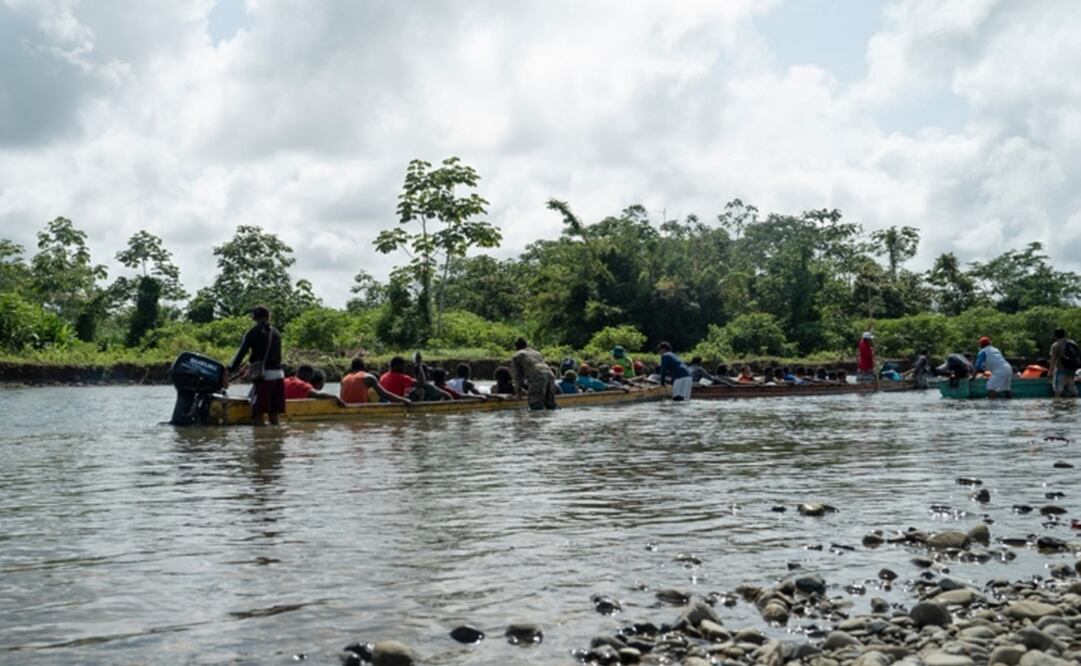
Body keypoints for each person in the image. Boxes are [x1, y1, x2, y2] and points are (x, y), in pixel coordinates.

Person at [228, 305, 285, 425]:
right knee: (274, 414)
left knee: (257, 414)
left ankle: (261, 441)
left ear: (254, 318)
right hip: (279, 376)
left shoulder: (252, 332)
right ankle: (276, 440)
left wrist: (230, 370)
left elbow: (241, 354)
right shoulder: (276, 333)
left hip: (264, 377)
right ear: (269, 317)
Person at [511, 337, 558, 410]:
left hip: (538, 376)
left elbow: (517, 376)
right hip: (550, 375)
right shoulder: (536, 353)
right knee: (550, 405)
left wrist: (518, 393)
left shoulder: (517, 356)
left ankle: (536, 421)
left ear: (516, 347)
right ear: (526, 345)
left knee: (536, 405)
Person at [341, 357, 411, 405]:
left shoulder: (344, 379)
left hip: (345, 407)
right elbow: (384, 394)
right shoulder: (368, 377)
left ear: (352, 368)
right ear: (364, 367)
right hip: (360, 408)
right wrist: (404, 400)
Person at [1049, 328, 1080, 397]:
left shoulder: (1056, 345)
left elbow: (1053, 359)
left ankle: (1057, 403)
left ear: (1055, 336)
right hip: (1072, 368)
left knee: (1058, 389)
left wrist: (1050, 372)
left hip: (1061, 368)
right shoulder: (1072, 343)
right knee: (1071, 386)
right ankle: (1074, 403)